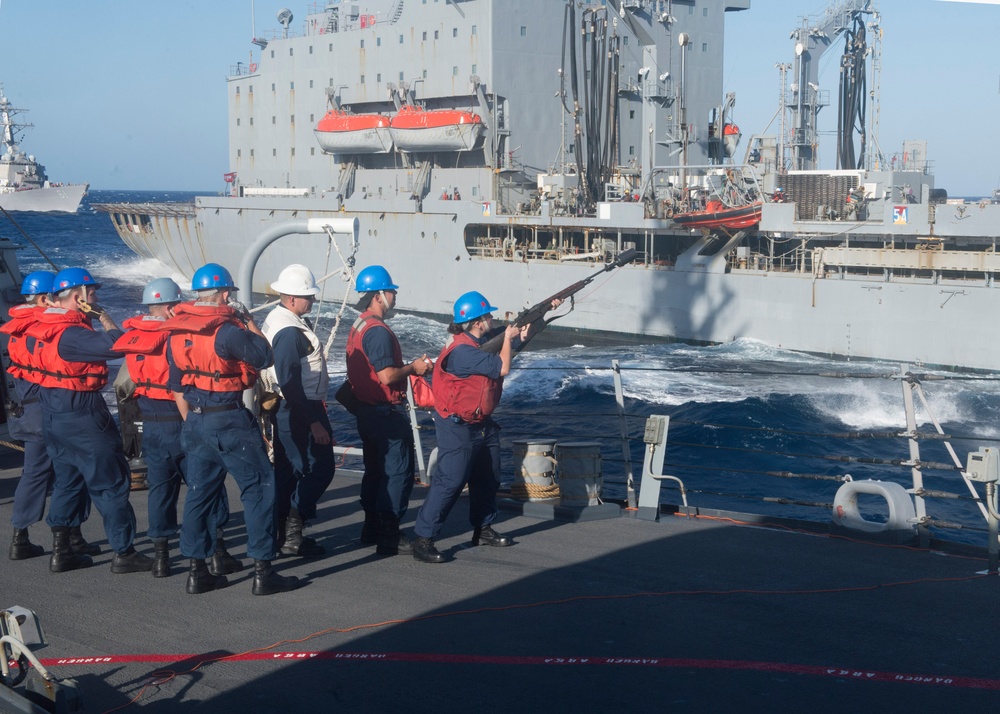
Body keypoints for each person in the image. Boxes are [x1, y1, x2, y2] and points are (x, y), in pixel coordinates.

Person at [164, 262, 298, 596]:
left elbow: (177, 384)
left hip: (196, 420)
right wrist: (248, 319)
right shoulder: (228, 332)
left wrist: (193, 424)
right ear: (225, 294)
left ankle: (197, 571)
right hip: (228, 419)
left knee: (199, 493)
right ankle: (263, 571)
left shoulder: (176, 334)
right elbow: (264, 356)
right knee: (259, 488)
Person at [113, 278, 241, 579]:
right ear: (172, 307)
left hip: (151, 425)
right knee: (207, 487)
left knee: (160, 491)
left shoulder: (134, 337)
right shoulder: (176, 335)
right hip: (180, 419)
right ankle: (218, 554)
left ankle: (161, 559)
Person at [27, 267, 151, 574]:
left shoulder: (41, 327)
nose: (96, 299)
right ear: (78, 297)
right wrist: (104, 318)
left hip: (53, 414)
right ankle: (124, 552)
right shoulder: (73, 335)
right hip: (83, 416)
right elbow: (120, 344)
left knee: (67, 482)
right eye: (92, 294)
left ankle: (62, 551)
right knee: (111, 484)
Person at [411, 291, 523, 563]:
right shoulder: (462, 352)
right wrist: (509, 338)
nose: (492, 318)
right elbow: (502, 367)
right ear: (476, 322)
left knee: (488, 477)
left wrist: (523, 332)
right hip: (458, 426)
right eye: (487, 316)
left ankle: (483, 528)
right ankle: (423, 539)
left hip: (480, 423)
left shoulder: (475, 342)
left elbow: (502, 351)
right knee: (450, 481)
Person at [1, 271, 96, 561]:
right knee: (72, 470)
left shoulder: (17, 327)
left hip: (26, 409)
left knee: (35, 472)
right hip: (48, 410)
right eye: (53, 297)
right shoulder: (44, 327)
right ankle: (72, 537)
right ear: (44, 299)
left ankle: (21, 537)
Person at [345, 265, 431, 556]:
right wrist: (414, 368)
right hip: (384, 414)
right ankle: (390, 534)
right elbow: (386, 376)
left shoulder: (360, 324)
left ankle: (371, 527)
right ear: (379, 295)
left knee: (374, 471)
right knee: (397, 473)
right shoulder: (378, 332)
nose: (395, 295)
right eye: (391, 291)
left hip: (366, 412)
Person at [261, 265, 335, 559]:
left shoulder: (277, 319)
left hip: (289, 408)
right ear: (291, 298)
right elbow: (289, 382)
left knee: (288, 472)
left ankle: (283, 535)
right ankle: (292, 531)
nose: (312, 300)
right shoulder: (290, 332)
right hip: (299, 408)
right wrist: (314, 421)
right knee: (321, 468)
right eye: (308, 296)